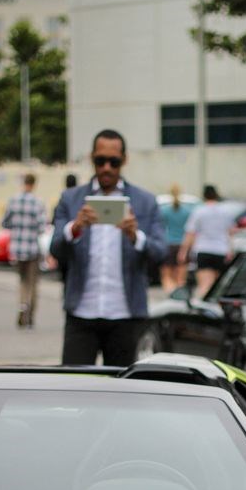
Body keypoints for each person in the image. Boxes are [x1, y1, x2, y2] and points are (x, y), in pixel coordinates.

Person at [50, 128, 166, 366]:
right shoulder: (71, 199)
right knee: (73, 388)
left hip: (125, 315)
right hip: (81, 314)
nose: (106, 168)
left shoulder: (145, 201)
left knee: (121, 394)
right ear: (91, 158)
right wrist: (75, 228)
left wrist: (135, 236)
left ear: (123, 160)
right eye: (100, 161)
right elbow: (55, 249)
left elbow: (160, 252)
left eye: (113, 162)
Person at [1, 173, 47, 329]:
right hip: (32, 248)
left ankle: (22, 306)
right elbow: (42, 227)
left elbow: (5, 222)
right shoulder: (38, 203)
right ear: (34, 184)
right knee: (33, 283)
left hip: (17, 248)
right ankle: (31, 315)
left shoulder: (13, 200)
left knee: (22, 281)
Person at [178, 184, 233, 295]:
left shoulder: (199, 211)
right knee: (217, 288)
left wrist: (183, 251)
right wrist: (230, 250)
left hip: (203, 250)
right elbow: (230, 233)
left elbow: (190, 233)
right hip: (220, 250)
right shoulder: (226, 211)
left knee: (204, 286)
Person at [159, 185, 196, 292]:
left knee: (166, 275)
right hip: (182, 244)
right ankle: (179, 297)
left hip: (168, 243)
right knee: (181, 277)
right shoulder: (187, 211)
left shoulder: (164, 210)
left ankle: (169, 295)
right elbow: (190, 231)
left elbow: (160, 228)